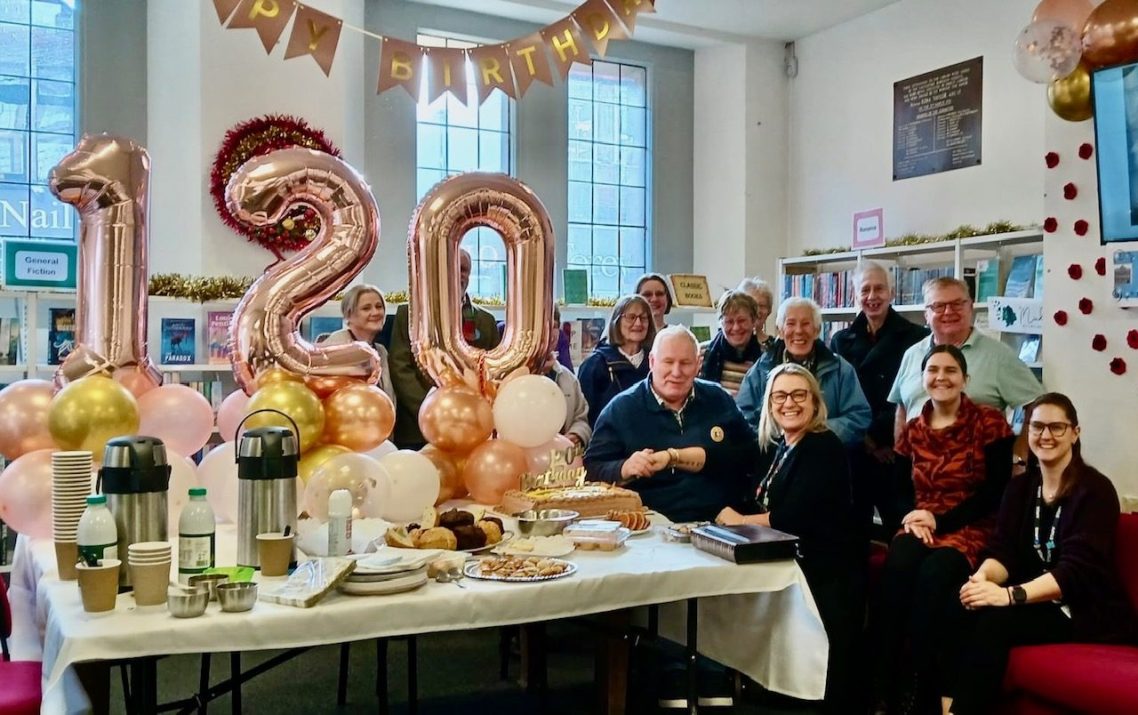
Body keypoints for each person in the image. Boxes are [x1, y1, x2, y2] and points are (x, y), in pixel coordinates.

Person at [948, 393, 1138, 715]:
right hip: (1037, 601)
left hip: (1082, 609)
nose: (1045, 435)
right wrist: (981, 580)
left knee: (996, 621)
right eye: (1037, 427)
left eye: (1056, 427)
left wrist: (1008, 596)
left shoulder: (1095, 490)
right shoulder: (1021, 488)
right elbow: (1002, 550)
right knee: (959, 603)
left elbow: (1075, 573)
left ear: (1075, 433)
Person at [874, 345, 1016, 713]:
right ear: (923, 379)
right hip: (921, 522)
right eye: (933, 370)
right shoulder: (913, 429)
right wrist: (911, 518)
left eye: (951, 370)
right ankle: (885, 685)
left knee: (935, 574)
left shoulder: (989, 423)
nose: (941, 377)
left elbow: (996, 492)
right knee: (899, 563)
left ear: (965, 379)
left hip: (971, 525)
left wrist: (940, 521)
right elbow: (897, 490)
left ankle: (922, 690)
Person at [716, 363, 859, 712]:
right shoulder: (781, 444)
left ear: (815, 402)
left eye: (798, 395)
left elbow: (797, 516)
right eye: (780, 396)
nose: (789, 403)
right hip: (788, 563)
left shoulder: (823, 446)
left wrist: (739, 521)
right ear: (769, 404)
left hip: (823, 573)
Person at [584, 325, 757, 523]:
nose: (676, 372)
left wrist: (687, 457)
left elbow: (750, 455)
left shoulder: (719, 399)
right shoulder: (621, 409)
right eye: (668, 362)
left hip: (721, 524)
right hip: (652, 526)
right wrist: (624, 468)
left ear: (698, 364)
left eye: (685, 363)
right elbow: (592, 469)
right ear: (652, 362)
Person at [830, 261, 929, 534]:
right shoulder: (840, 341)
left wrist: (881, 440)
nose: (872, 296)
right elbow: (837, 397)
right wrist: (868, 442)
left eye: (879, 289)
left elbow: (914, 397)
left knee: (902, 532)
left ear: (892, 293)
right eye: (865, 290)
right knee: (852, 536)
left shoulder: (917, 338)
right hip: (854, 453)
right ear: (855, 296)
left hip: (896, 452)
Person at [889, 277, 1042, 444]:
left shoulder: (999, 355)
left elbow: (1037, 405)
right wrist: (900, 453)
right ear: (926, 314)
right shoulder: (912, 354)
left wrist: (1021, 451)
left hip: (978, 458)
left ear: (970, 308)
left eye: (957, 304)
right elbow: (902, 408)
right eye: (939, 306)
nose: (948, 312)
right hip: (916, 458)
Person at [387, 248, 500, 450]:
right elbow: (400, 367)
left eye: (463, 269)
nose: (458, 274)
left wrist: (475, 411)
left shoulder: (486, 321)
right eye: (451, 267)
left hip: (472, 425)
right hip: (418, 426)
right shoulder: (410, 313)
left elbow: (492, 372)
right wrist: (433, 410)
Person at [736, 297, 871, 447]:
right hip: (774, 454)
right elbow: (742, 417)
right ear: (781, 331)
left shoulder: (840, 369)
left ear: (817, 330)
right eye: (791, 324)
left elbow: (859, 418)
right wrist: (778, 435)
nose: (799, 331)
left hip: (826, 454)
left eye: (806, 324)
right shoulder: (761, 368)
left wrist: (813, 431)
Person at [577, 295, 656, 427]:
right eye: (631, 317)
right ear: (617, 321)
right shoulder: (595, 364)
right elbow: (584, 417)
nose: (638, 323)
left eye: (643, 318)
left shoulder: (657, 363)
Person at [321, 284, 396, 406]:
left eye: (379, 306)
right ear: (349, 315)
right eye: (366, 308)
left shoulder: (381, 350)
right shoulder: (338, 344)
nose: (375, 312)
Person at [699, 290, 765, 396]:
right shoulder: (700, 353)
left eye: (741, 321)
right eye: (729, 322)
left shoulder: (765, 357)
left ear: (753, 321)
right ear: (721, 323)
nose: (736, 328)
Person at [544, 305, 591, 447]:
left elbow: (581, 418)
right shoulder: (513, 377)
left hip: (562, 456)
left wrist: (576, 435)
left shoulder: (568, 378)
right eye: (543, 326)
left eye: (554, 326)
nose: (549, 333)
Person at [736, 277, 776, 352]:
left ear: (769, 310)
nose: (757, 310)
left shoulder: (776, 346)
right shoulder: (729, 343)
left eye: (762, 306)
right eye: (751, 305)